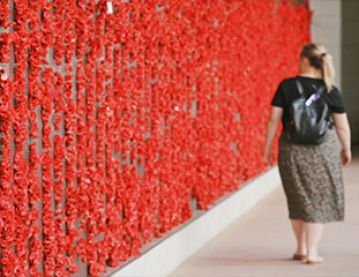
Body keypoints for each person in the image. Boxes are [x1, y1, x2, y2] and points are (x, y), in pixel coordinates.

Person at [263, 43, 352, 265]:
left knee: (297, 198)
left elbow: (274, 119)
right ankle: (312, 252)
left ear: (304, 60)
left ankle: (300, 248)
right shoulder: (330, 88)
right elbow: (342, 126)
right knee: (317, 200)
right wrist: (347, 148)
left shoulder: (287, 86)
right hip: (323, 150)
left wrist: (267, 147)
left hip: (291, 149)